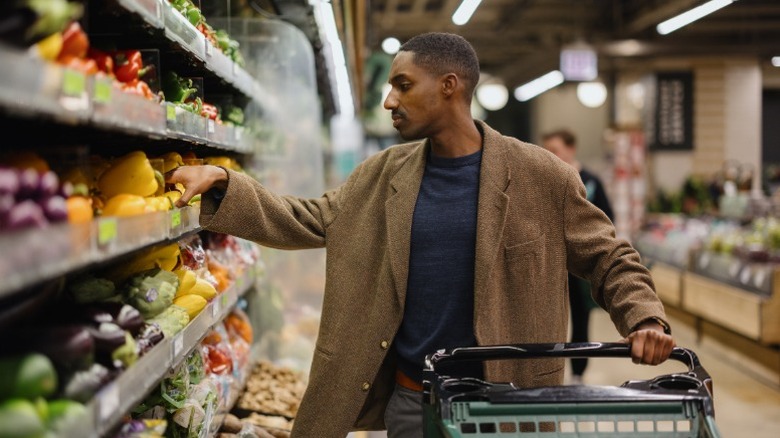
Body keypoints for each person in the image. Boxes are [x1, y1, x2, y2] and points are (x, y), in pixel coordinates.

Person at [166, 32, 675, 438]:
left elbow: (610, 257)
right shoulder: (385, 173)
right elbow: (310, 217)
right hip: (413, 403)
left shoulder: (542, 176)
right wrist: (225, 186)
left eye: (403, 85)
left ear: (449, 86)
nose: (390, 100)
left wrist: (643, 316)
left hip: (508, 405)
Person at [542, 129, 616, 385]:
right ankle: (547, 373)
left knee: (581, 320)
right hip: (550, 265)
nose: (549, 156)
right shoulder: (542, 182)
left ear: (571, 149)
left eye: (555, 151)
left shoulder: (590, 181)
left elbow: (607, 220)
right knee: (548, 319)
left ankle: (577, 373)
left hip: (579, 266)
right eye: (546, 151)